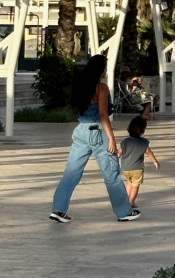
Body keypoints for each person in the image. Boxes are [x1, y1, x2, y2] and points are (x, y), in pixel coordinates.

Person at [51, 55, 141, 223]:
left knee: (71, 172)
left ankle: (58, 209)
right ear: (101, 69)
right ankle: (124, 212)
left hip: (81, 131)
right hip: (98, 131)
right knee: (111, 174)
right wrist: (112, 139)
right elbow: (102, 114)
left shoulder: (81, 86)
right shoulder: (102, 88)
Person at [119, 115, 160, 213]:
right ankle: (131, 201)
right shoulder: (144, 142)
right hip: (137, 169)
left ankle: (126, 200)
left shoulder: (125, 142)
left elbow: (119, 152)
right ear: (143, 130)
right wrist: (155, 162)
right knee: (135, 185)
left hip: (125, 168)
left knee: (129, 183)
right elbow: (149, 153)